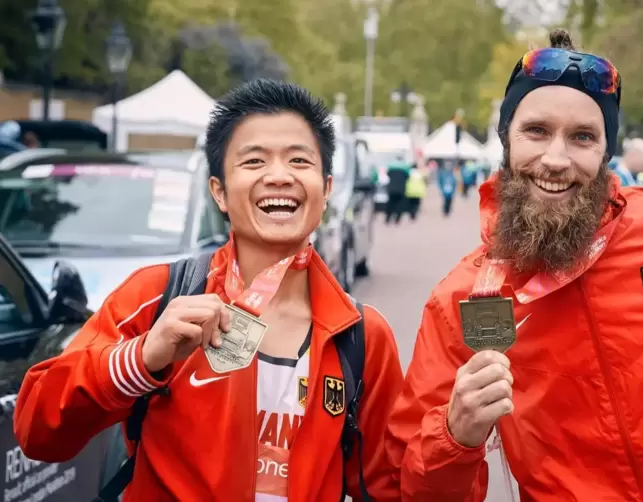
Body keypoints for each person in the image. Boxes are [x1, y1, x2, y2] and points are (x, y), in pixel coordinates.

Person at [385, 29, 643, 501]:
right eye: (536, 131)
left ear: (605, 152)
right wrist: (453, 435)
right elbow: (411, 490)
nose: (555, 159)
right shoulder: (463, 300)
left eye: (582, 137)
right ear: (507, 142)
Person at [14, 80, 403, 502]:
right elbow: (38, 430)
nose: (279, 176)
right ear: (219, 191)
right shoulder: (158, 296)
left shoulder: (361, 337)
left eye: (298, 160)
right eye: (254, 161)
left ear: (325, 190)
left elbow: (387, 487)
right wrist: (143, 357)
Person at [385, 155, 410, 224]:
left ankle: (387, 219)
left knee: (390, 204)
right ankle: (397, 220)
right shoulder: (405, 167)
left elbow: (388, 174)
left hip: (391, 189)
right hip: (401, 189)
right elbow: (408, 178)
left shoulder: (391, 167)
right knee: (400, 205)